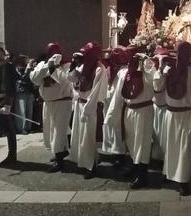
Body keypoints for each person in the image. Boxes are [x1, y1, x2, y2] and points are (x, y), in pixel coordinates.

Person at [153, 41, 191, 196]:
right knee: (169, 147)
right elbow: (157, 87)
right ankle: (169, 174)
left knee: (184, 149)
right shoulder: (170, 70)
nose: (180, 56)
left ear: (189, 55)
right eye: (178, 52)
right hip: (170, 114)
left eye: (184, 53)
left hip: (185, 115)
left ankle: (183, 181)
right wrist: (162, 72)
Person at [105, 46, 156, 189]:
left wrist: (147, 63)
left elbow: (156, 83)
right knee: (132, 141)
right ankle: (135, 166)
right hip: (129, 111)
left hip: (144, 111)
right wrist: (112, 115)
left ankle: (143, 174)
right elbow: (117, 95)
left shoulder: (147, 70)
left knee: (143, 142)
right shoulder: (123, 72)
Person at [29, 42, 72, 172]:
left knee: (58, 131)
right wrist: (49, 65)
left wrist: (55, 68)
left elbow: (64, 81)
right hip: (48, 102)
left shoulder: (67, 65)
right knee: (49, 130)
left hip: (62, 102)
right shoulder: (44, 64)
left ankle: (59, 161)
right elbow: (34, 79)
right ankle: (60, 152)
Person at [68, 42, 108, 179]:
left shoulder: (99, 69)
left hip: (90, 107)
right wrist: (73, 66)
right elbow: (71, 79)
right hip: (80, 104)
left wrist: (87, 109)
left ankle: (91, 166)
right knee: (79, 135)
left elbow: (96, 92)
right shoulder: (83, 65)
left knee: (88, 137)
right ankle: (84, 161)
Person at [102, 47, 128, 170]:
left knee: (118, 130)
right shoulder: (110, 70)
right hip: (108, 102)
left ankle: (120, 156)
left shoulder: (123, 71)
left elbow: (119, 91)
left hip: (118, 104)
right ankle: (114, 152)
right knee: (111, 130)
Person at [0, 41, 17, 166]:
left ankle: (12, 155)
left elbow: (9, 87)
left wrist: (8, 105)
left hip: (3, 101)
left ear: (1, 51)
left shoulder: (6, 66)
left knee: (8, 129)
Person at [14, 55, 35, 135]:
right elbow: (23, 77)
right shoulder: (17, 68)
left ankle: (28, 128)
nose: (28, 61)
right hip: (21, 91)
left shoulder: (29, 68)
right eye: (27, 60)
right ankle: (21, 128)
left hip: (29, 91)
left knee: (29, 110)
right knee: (21, 111)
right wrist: (28, 68)